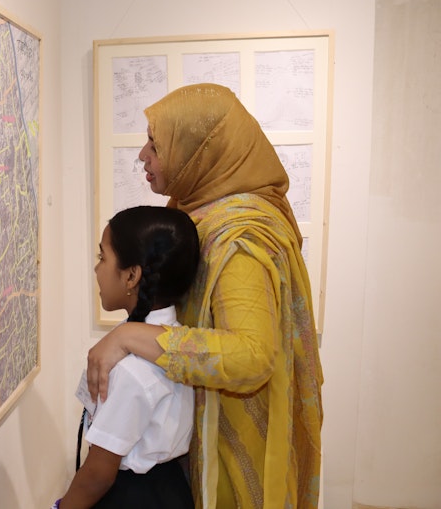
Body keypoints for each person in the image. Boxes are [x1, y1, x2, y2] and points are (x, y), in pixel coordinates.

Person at [86, 83, 323, 509]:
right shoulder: (199, 211)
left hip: (235, 445)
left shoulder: (239, 240)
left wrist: (126, 337)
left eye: (155, 144)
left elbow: (251, 356)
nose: (143, 155)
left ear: (198, 152)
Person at [55, 205, 200, 509]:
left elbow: (98, 474)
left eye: (102, 258)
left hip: (133, 497)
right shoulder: (180, 341)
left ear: (132, 275)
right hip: (170, 489)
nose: (97, 269)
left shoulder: (130, 370)